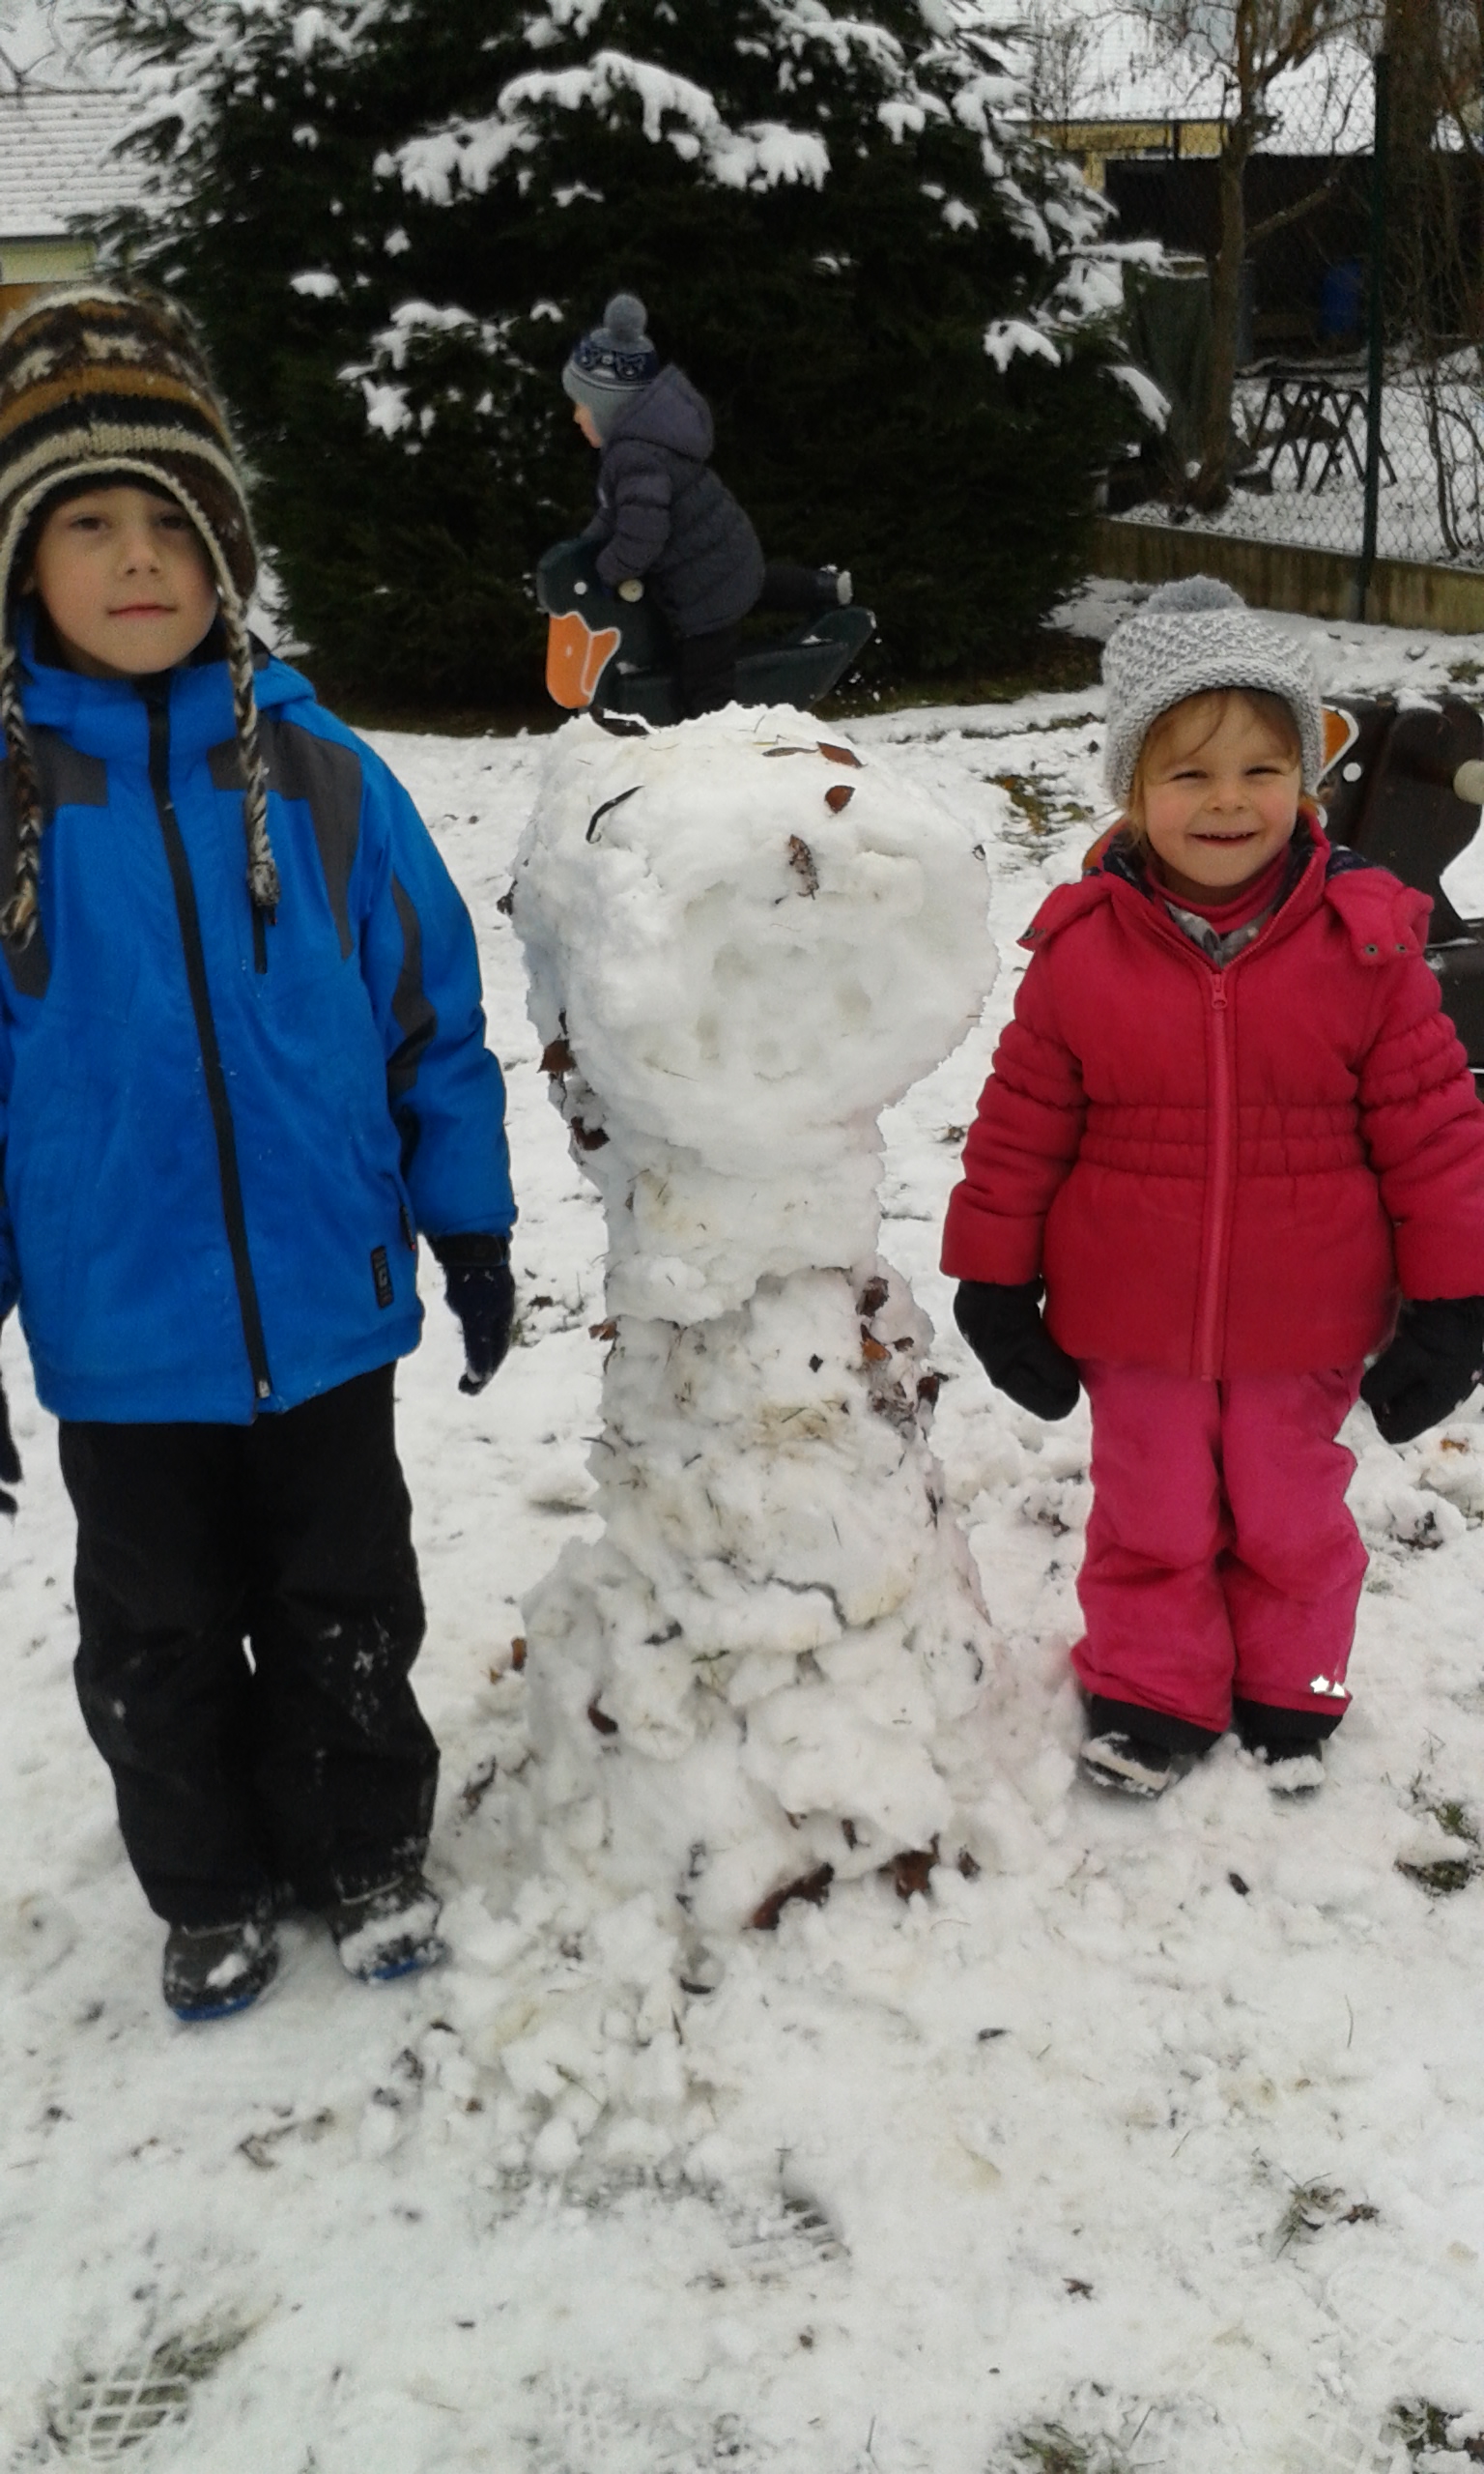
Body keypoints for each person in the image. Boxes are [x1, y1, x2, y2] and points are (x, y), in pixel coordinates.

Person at [0, 283, 517, 2018]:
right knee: (153, 1638)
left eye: (173, 520)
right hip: (118, 1330)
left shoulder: (321, 773)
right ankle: (208, 1883)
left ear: (225, 548)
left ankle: (362, 1847)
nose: (138, 558)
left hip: (326, 1299)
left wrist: (468, 1227)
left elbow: (428, 1013)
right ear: (23, 564)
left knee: (346, 1603)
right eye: (88, 523)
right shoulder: (6, 804)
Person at [942, 576, 1484, 1799]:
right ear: (1133, 793)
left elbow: (1437, 1132)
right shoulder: (1082, 950)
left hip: (1310, 1317)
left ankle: (1298, 1684)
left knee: (1292, 1513)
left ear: (1306, 781)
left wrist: (1458, 1300)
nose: (1229, 800)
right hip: (1132, 1317)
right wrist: (992, 1278)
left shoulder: (1366, 944)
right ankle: (1151, 1689)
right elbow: (1021, 1125)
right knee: (1154, 1513)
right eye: (1189, 774)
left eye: (1261, 769)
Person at [561, 292, 850, 718]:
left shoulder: (635, 456)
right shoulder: (640, 447)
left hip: (701, 590)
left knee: (703, 680)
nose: (576, 417)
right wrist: (584, 549)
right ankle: (822, 587)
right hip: (723, 553)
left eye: (582, 407)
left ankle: (718, 733)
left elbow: (643, 535)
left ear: (609, 409)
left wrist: (607, 570)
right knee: (749, 581)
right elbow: (615, 514)